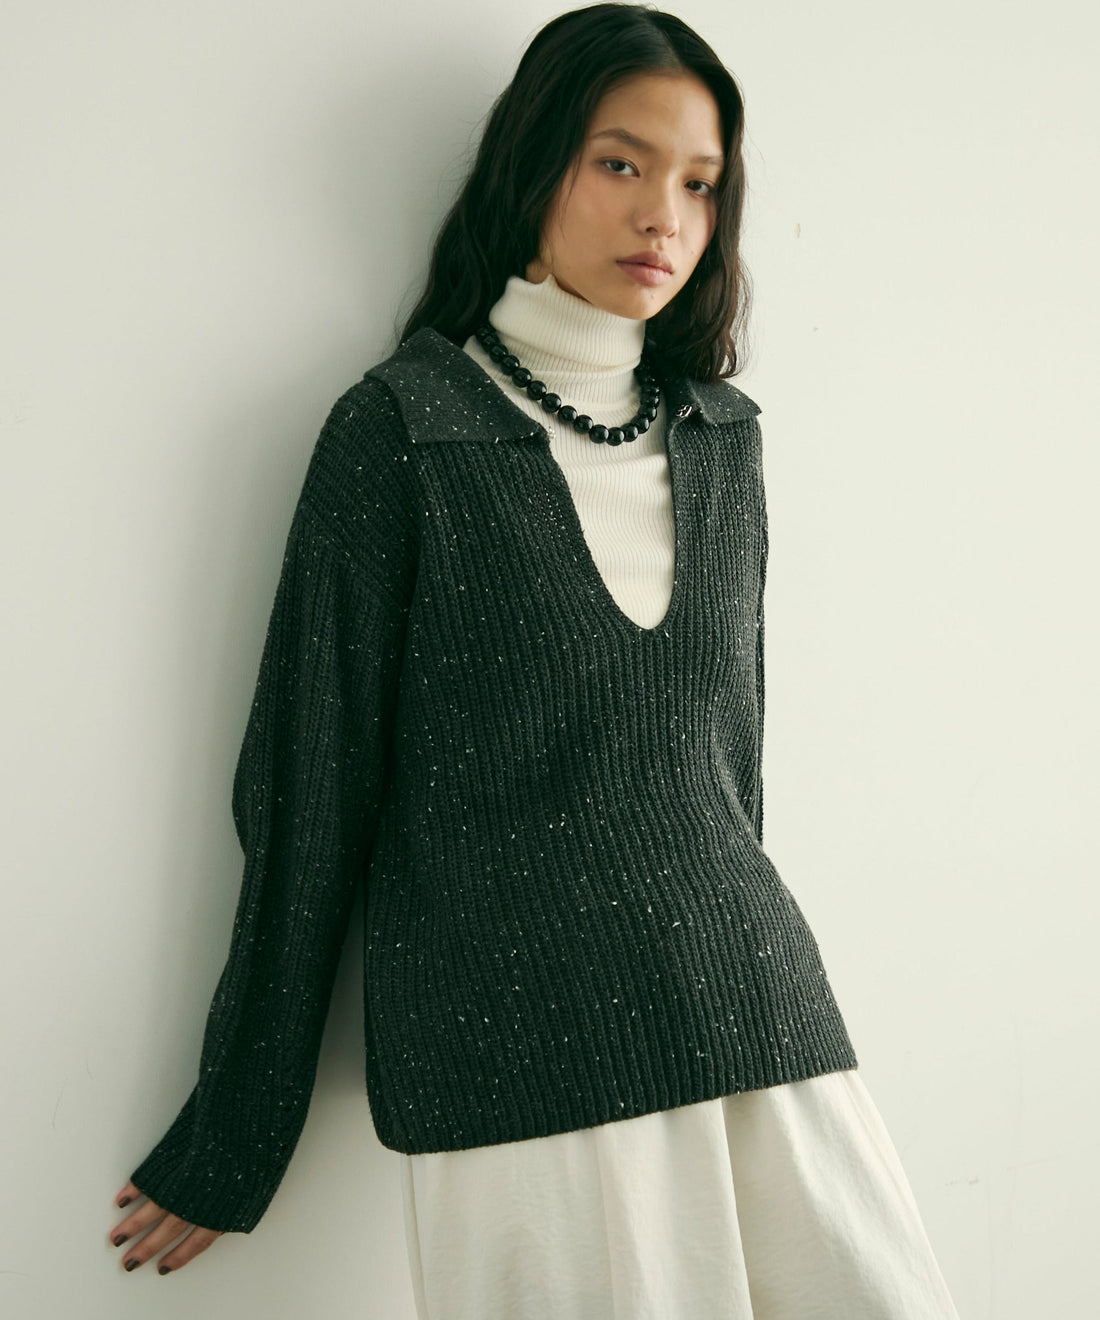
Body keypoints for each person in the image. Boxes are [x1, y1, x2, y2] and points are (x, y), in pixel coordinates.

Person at [108, 5, 962, 1316]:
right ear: (532, 168)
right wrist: (235, 1135)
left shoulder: (724, 440)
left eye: (700, 183)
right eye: (621, 163)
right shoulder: (402, 433)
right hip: (518, 1059)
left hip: (759, 1021)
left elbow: (728, 779)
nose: (663, 215)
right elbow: (307, 795)